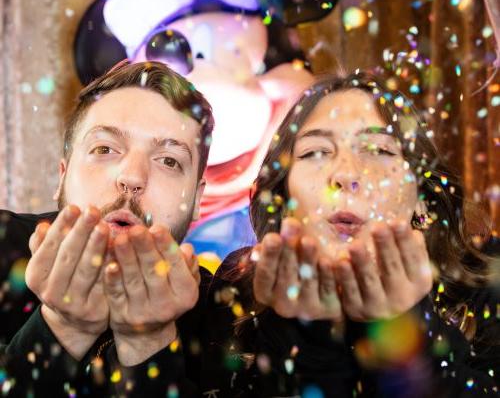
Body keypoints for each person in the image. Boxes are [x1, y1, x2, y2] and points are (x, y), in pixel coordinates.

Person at [206, 71, 500, 397]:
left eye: (378, 150)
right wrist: (304, 338)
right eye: (315, 152)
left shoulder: (486, 279)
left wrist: (405, 336)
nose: (345, 175)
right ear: (283, 198)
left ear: (422, 198)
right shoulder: (238, 285)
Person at [0, 60, 215, 396]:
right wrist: (61, 327)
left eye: (169, 161)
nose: (132, 177)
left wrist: (150, 343)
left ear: (198, 199)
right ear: (62, 176)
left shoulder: (221, 313)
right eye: (104, 149)